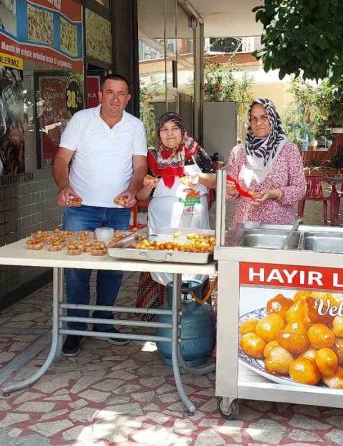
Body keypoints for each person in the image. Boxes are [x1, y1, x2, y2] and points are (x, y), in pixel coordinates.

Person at [53, 73, 148, 357]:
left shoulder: (135, 126)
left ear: (128, 98)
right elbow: (61, 159)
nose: (116, 98)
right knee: (77, 270)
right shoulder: (81, 120)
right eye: (110, 92)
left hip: (118, 209)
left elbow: (140, 167)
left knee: (113, 269)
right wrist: (64, 186)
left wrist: (133, 190)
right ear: (100, 95)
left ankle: (103, 322)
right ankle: (76, 328)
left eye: (122, 93)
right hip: (81, 208)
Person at [133, 112, 215, 310]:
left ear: (182, 131)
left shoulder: (195, 151)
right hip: (162, 224)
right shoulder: (151, 157)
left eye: (174, 129)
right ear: (158, 133)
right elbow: (140, 196)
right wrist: (148, 185)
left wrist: (200, 178)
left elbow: (215, 180)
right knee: (161, 262)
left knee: (192, 262)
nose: (170, 134)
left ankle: (195, 315)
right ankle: (158, 316)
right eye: (164, 130)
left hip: (192, 223)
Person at [225, 99, 306, 227]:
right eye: (253, 118)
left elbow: (300, 189)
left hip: (279, 225)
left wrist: (275, 193)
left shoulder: (288, 150)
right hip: (245, 224)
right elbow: (229, 193)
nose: (258, 123)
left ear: (273, 119)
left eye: (264, 117)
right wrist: (231, 190)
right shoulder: (239, 151)